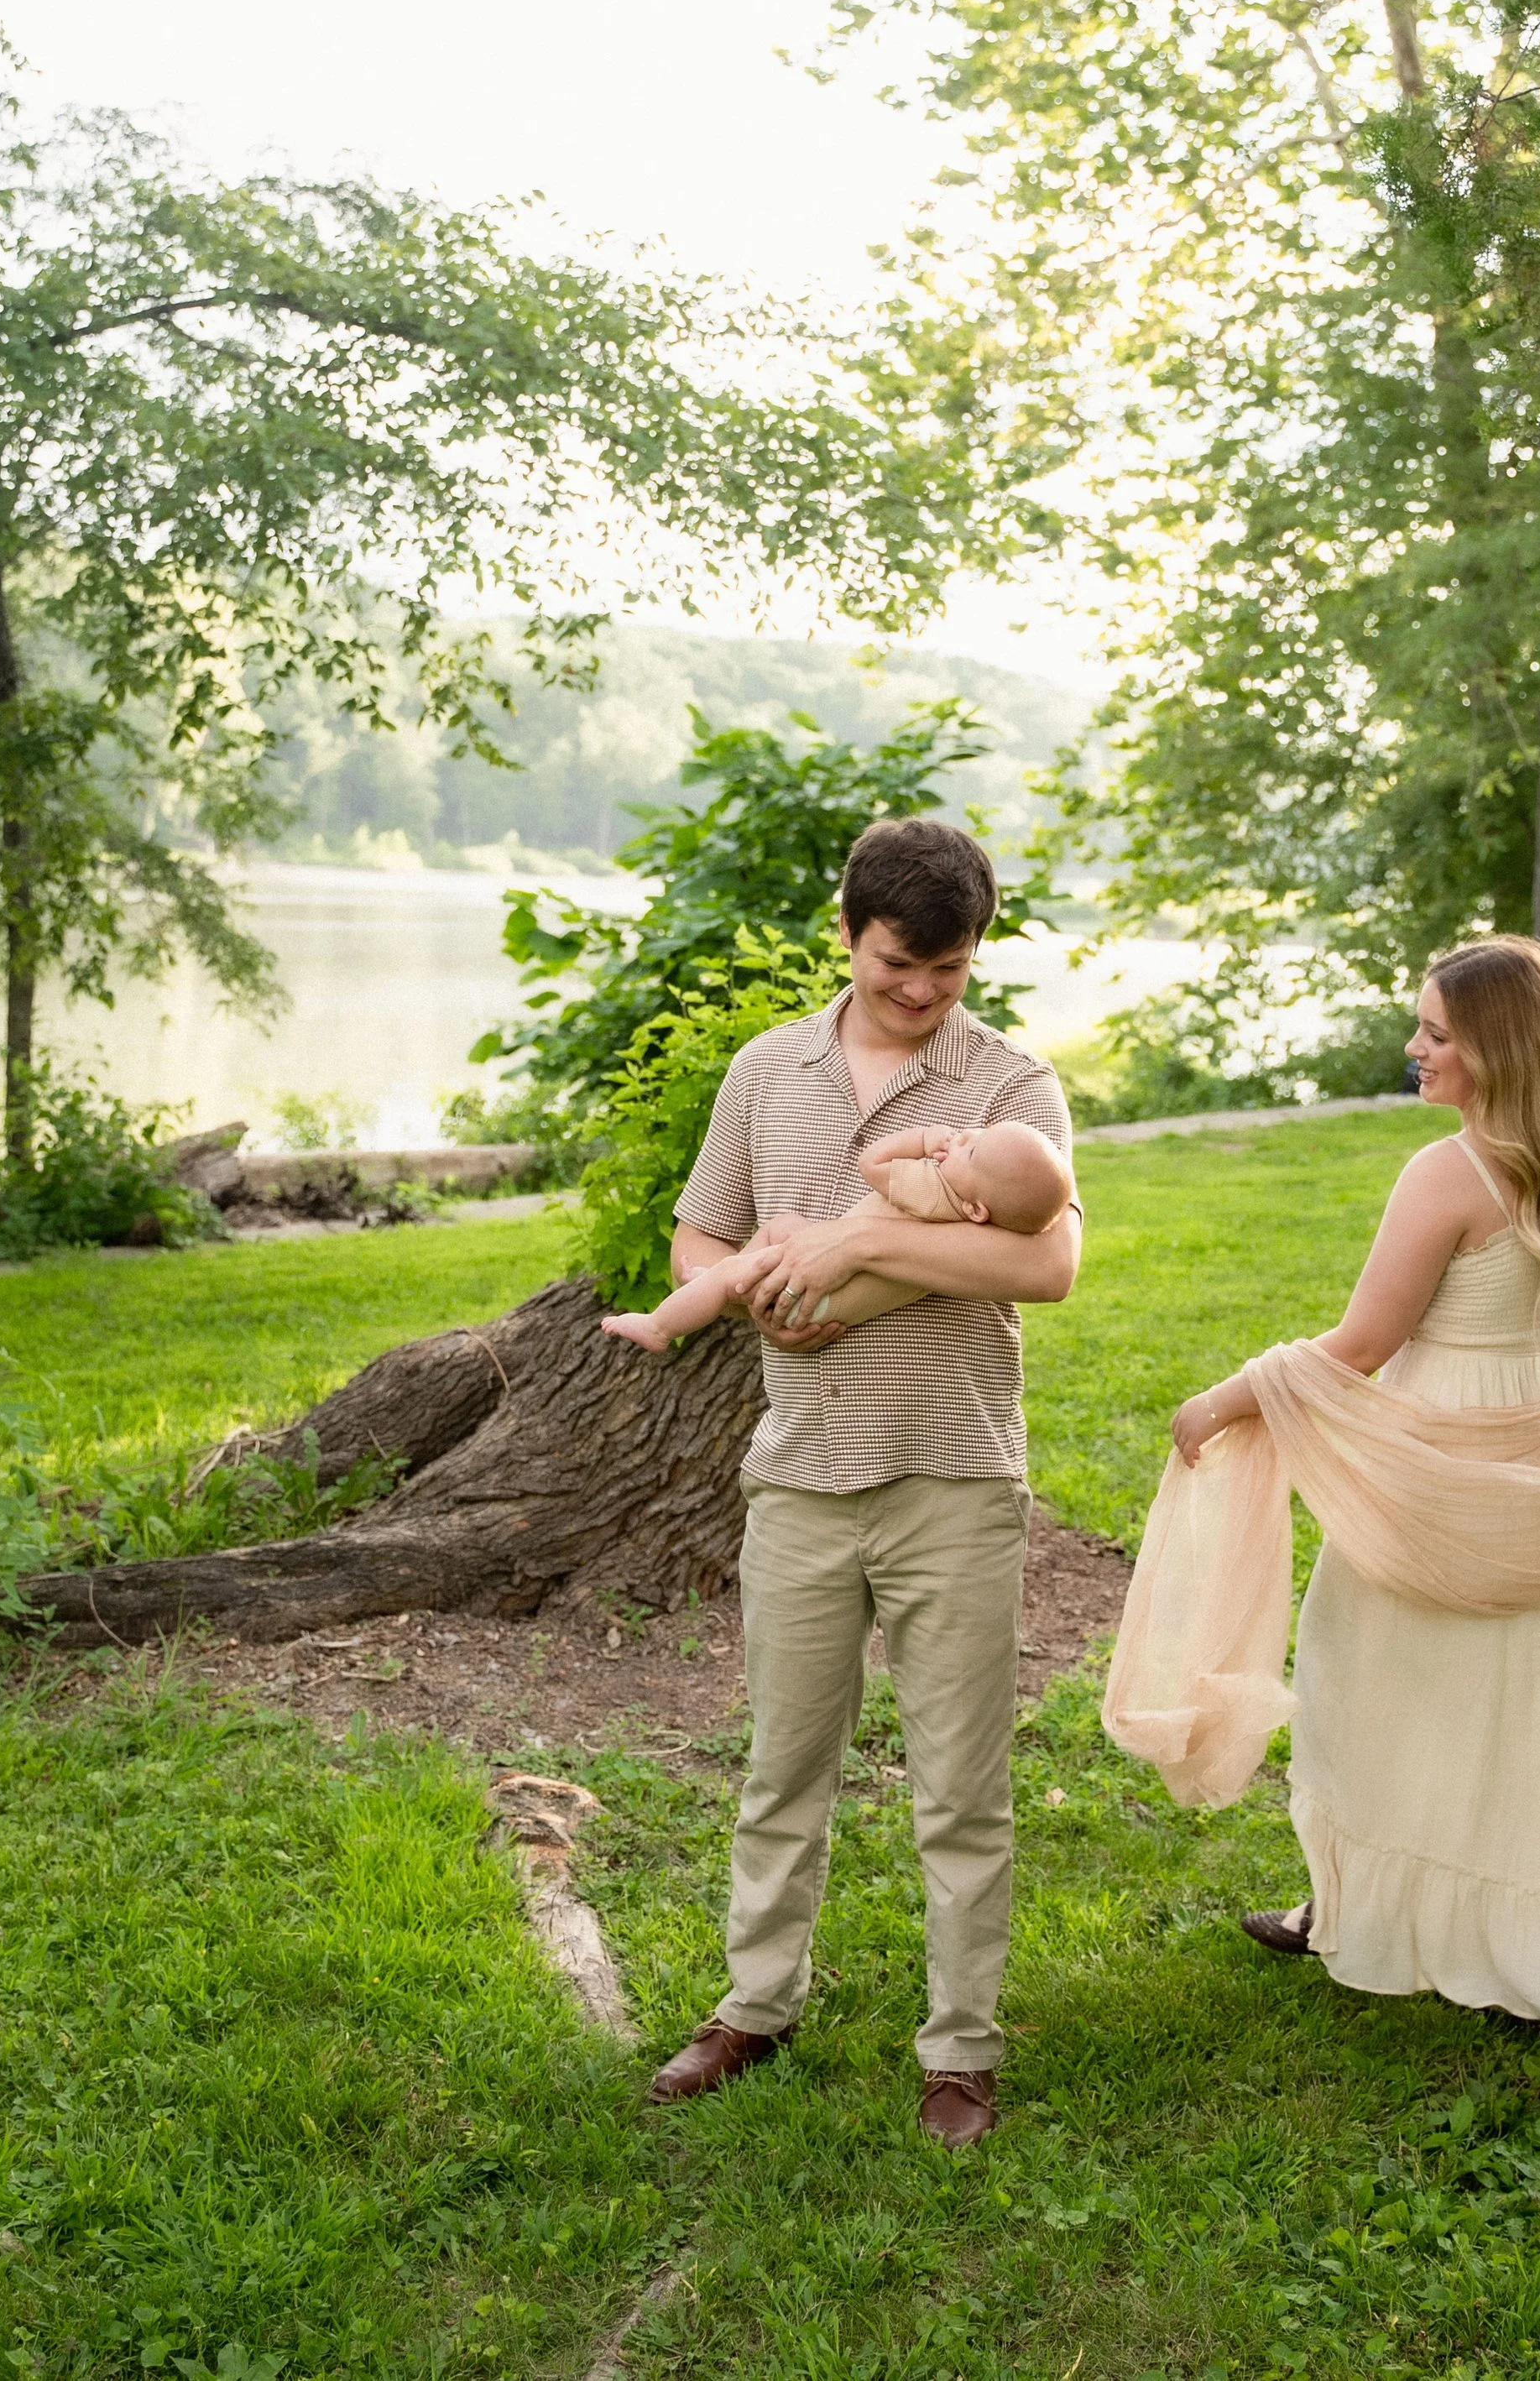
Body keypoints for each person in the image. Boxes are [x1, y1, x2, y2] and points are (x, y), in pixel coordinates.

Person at [643, 817, 1081, 2145]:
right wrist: (756, 1301)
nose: (920, 992)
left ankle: (961, 2050)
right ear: (846, 932)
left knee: (961, 1786)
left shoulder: (1011, 1085)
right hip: (802, 1472)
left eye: (946, 972)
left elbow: (1046, 1266)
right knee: (783, 1765)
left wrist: (851, 1251)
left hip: (953, 1472)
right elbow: (700, 1233)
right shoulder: (766, 1070)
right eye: (898, 964)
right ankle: (756, 2005)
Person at [1169, 935, 1540, 2038]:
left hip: (1441, 1465)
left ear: (1493, 1050)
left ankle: (1370, 1913)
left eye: (1437, 1032)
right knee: (1534, 1702)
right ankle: (1490, 1937)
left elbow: (1359, 1342)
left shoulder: (1447, 1171)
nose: (1416, 1047)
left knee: (1366, 1676)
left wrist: (1225, 1399)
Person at [600, 1120, 1075, 1351]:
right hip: (834, 1294)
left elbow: (874, 1164)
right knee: (783, 1229)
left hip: (824, 1295)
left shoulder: (934, 1192)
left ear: (976, 1209)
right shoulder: (976, 1219)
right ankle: (726, 1278)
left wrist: (927, 1141)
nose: (965, 1137)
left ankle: (661, 1325)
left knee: (734, 1275)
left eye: (972, 1150)